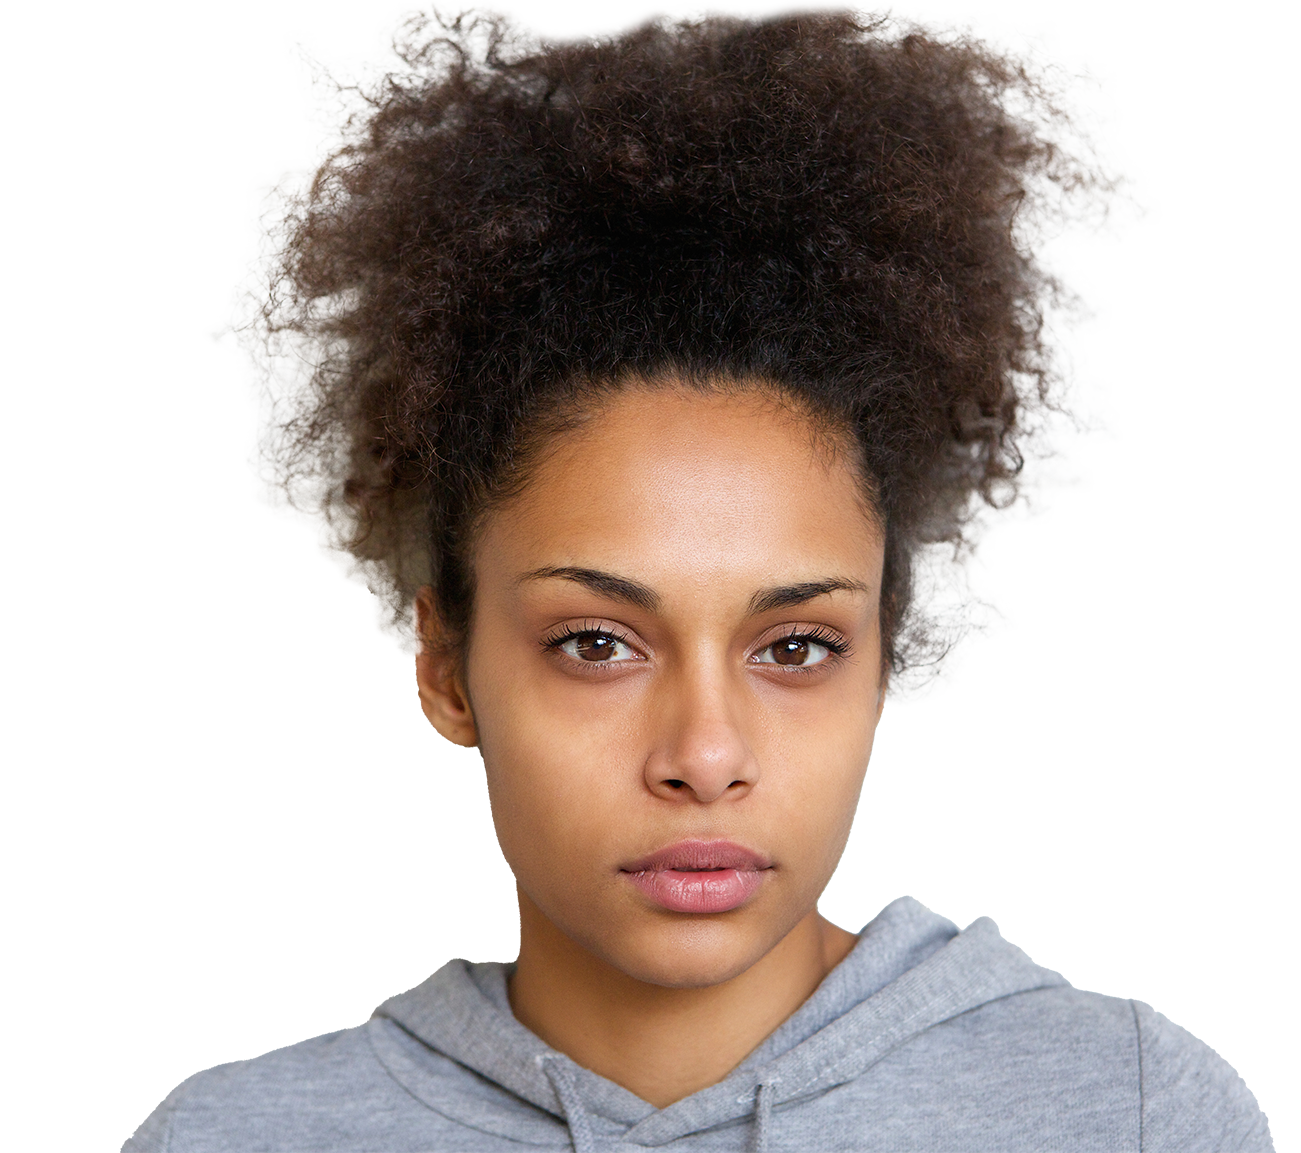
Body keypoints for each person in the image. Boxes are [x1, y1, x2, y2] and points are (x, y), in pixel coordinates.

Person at [136, 2, 1274, 1149]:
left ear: (883, 661)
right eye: (596, 643)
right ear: (447, 671)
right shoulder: (236, 1138)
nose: (705, 757)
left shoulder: (1119, 1109)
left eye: (794, 647)